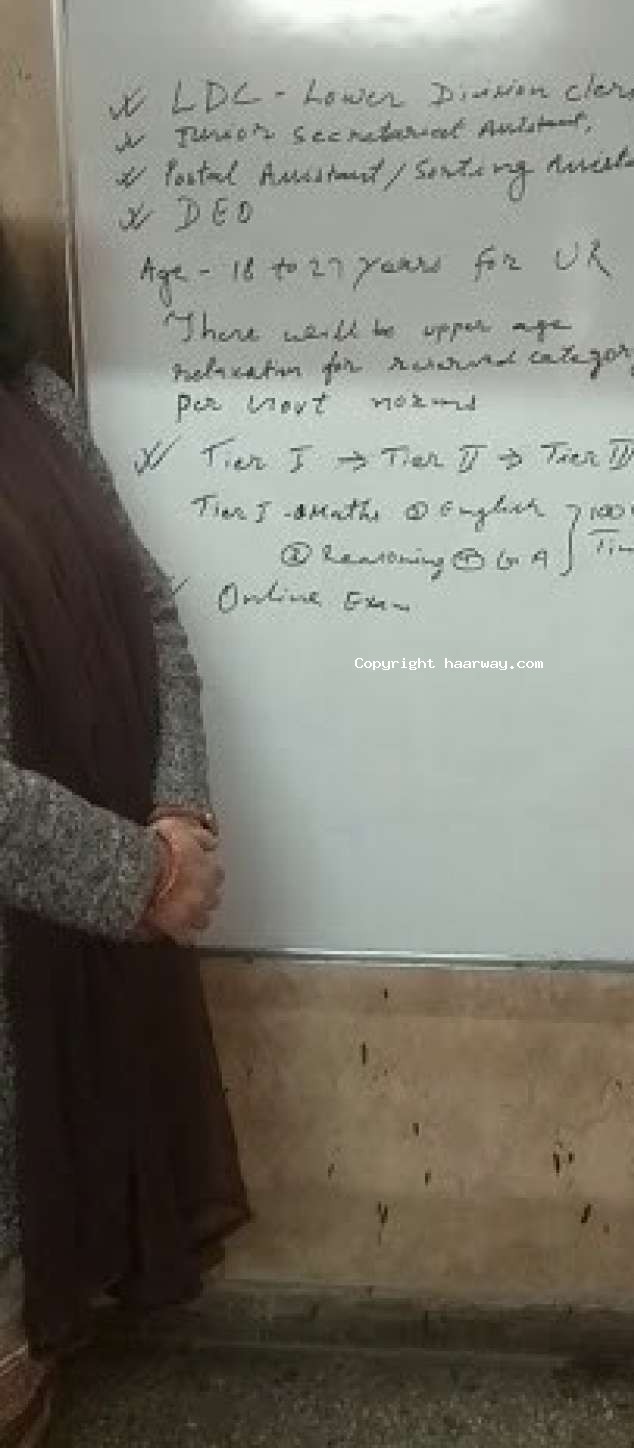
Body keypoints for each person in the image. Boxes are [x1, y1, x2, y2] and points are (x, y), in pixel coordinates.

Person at [0, 233, 249, 1445]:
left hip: (87, 940)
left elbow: (148, 611)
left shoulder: (36, 403)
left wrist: (178, 811)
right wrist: (138, 878)